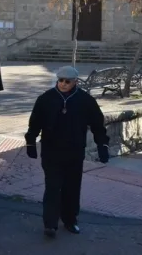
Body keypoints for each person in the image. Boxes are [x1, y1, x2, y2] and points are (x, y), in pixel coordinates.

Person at [25, 66, 109, 238]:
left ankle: (70, 220)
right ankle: (50, 224)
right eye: (60, 80)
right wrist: (31, 142)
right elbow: (35, 122)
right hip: (51, 151)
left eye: (67, 81)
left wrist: (102, 145)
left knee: (72, 187)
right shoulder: (46, 99)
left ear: (75, 82)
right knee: (52, 186)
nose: (63, 84)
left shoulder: (85, 100)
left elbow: (97, 124)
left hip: (74, 152)